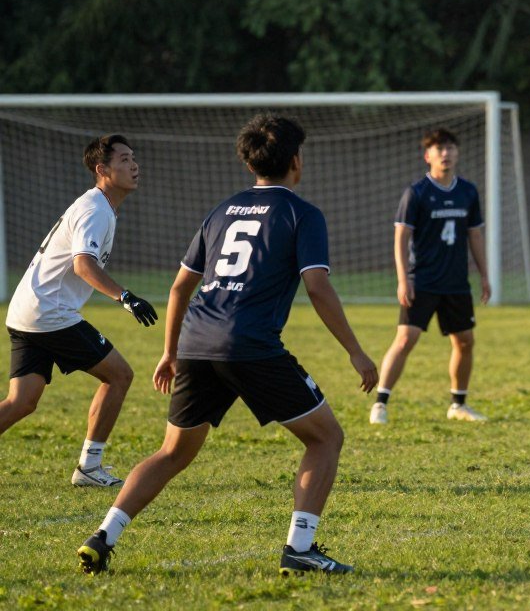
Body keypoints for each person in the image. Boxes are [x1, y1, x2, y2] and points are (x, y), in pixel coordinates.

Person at [77, 114, 379, 576]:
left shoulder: (222, 211)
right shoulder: (302, 214)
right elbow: (317, 287)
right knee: (326, 438)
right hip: (250, 345)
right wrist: (355, 351)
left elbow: (180, 287)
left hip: (197, 341)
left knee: (173, 452)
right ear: (296, 161)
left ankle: (102, 536)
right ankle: (300, 548)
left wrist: (171, 352)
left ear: (250, 163)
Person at [1, 135, 157, 488]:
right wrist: (125, 297)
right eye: (124, 160)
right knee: (119, 376)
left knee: (21, 402)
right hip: (50, 313)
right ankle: (90, 466)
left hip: (26, 311)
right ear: (102, 169)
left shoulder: (99, 206)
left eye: (133, 158)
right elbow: (83, 265)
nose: (134, 165)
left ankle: (89, 467)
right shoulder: (95, 209)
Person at [369, 127, 491, 425]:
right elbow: (401, 237)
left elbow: (475, 235)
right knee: (405, 339)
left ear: (457, 153)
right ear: (428, 156)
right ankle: (380, 403)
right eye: (439, 149)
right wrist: (403, 280)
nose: (446, 154)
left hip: (456, 283)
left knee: (465, 342)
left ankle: (458, 405)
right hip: (422, 281)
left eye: (450, 148)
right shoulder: (416, 193)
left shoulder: (468, 191)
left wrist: (485, 275)